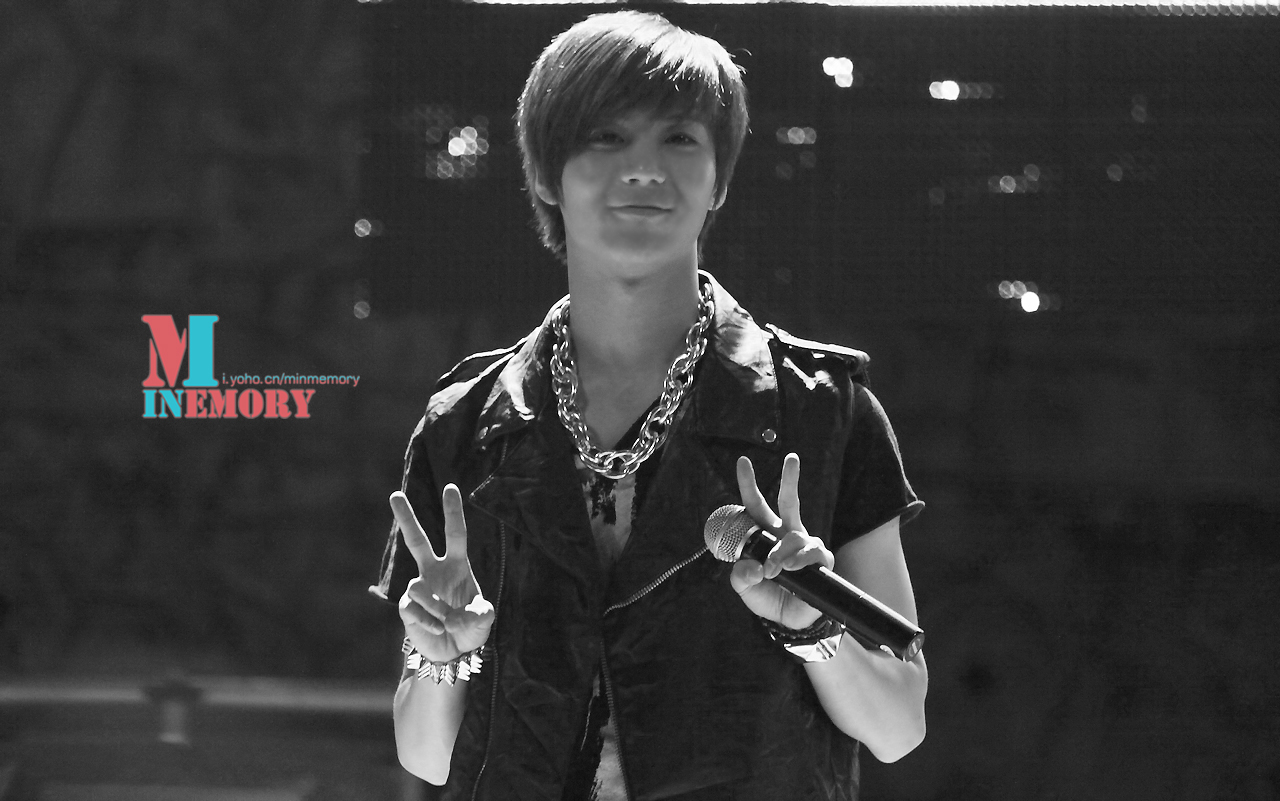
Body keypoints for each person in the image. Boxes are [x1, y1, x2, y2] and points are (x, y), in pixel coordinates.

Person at [370, 11, 927, 801]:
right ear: (545, 174)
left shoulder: (822, 412)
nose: (643, 168)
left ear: (719, 180)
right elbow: (427, 755)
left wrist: (807, 621)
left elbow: (900, 725)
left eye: (679, 139)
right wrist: (441, 653)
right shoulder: (468, 424)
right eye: (606, 137)